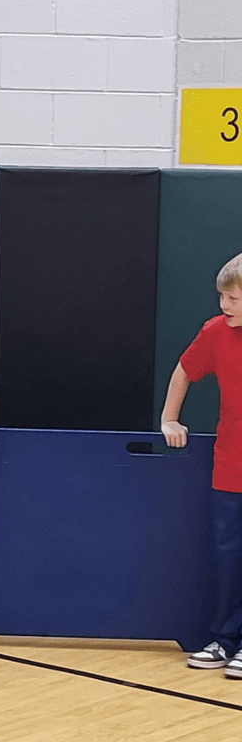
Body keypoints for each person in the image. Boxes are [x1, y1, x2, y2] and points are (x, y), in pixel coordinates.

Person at [161, 251, 242, 678]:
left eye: (232, 298)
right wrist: (169, 417)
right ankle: (226, 639)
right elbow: (184, 370)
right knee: (229, 559)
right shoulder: (215, 332)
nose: (223, 305)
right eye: (222, 296)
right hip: (230, 465)